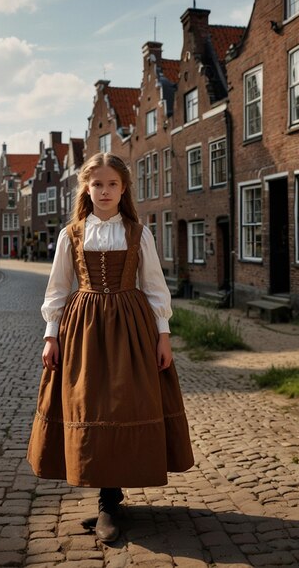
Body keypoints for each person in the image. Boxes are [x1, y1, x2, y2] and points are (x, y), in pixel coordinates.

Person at [27, 152, 194, 543]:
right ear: (87, 187)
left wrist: (163, 334)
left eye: (112, 184)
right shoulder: (72, 233)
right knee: (90, 403)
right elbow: (57, 287)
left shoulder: (139, 232)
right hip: (83, 327)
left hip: (132, 326)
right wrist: (51, 334)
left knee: (124, 401)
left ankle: (110, 499)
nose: (104, 191)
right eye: (97, 183)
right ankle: (107, 498)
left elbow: (154, 287)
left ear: (124, 188)